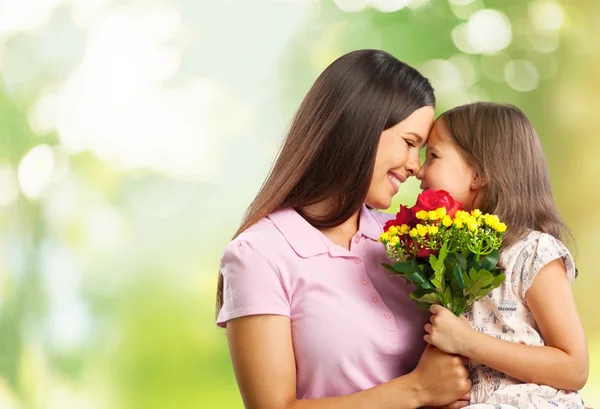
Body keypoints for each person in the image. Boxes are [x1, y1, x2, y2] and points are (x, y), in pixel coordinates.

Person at [215, 49, 471, 409]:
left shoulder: (400, 240)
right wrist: (417, 391)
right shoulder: (259, 254)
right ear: (361, 126)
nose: (416, 166)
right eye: (410, 143)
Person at [416, 102, 589, 408]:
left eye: (433, 156)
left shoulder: (534, 252)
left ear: (478, 173)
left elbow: (574, 368)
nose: (419, 170)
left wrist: (468, 342)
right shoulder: (450, 258)